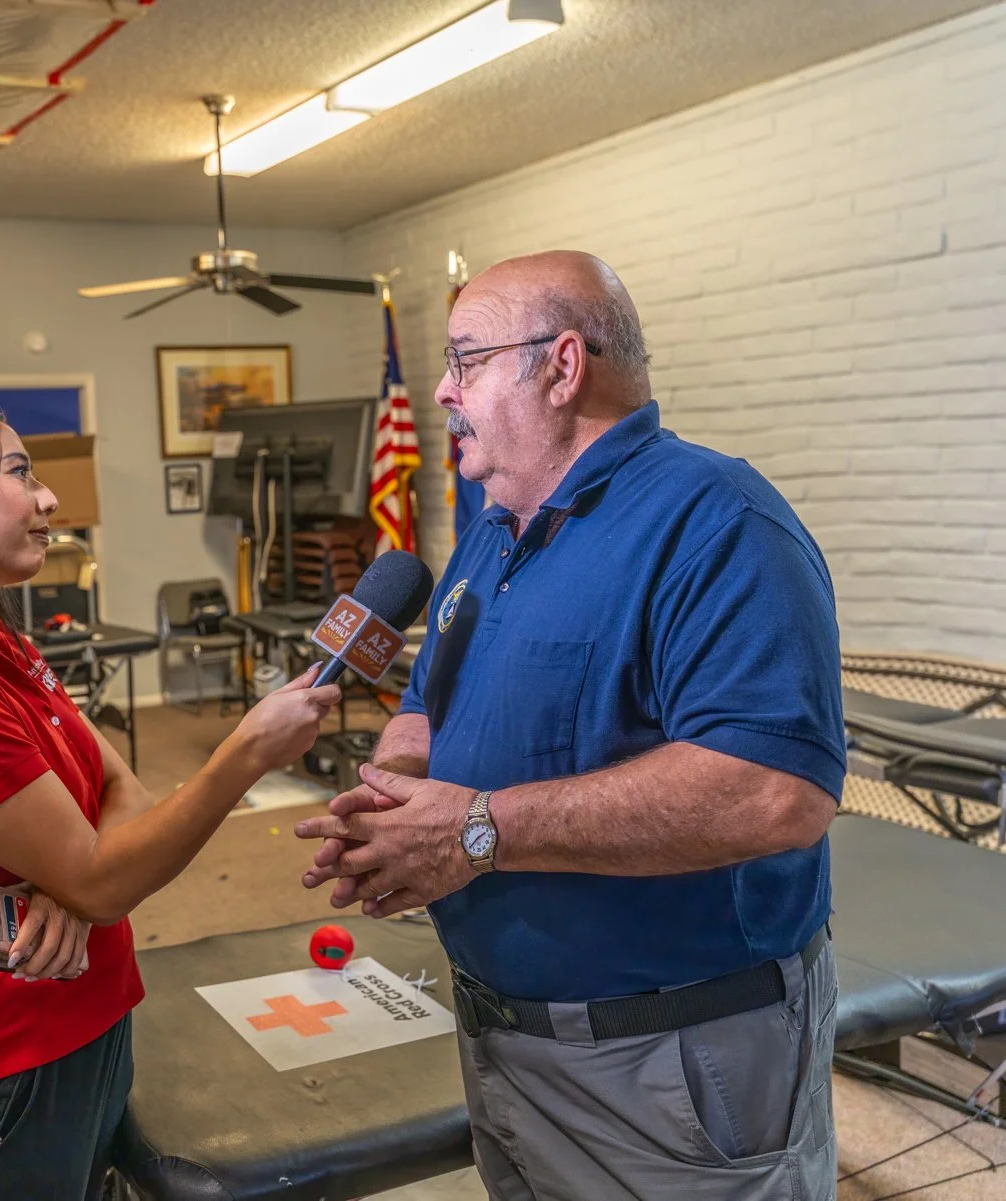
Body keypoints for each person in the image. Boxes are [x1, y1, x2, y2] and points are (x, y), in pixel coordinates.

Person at [296, 250, 844, 1201]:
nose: (442, 390)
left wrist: (476, 829)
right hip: (503, 1034)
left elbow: (773, 792)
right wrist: (396, 791)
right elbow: (429, 697)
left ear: (560, 367)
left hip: (670, 1057)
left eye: (465, 360)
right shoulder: (493, 527)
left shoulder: (718, 524)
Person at [0, 400, 341, 1201]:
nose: (49, 499)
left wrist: (71, 886)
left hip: (84, 1017)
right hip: (5, 1056)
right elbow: (104, 876)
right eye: (20, 472)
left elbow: (121, 788)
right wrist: (245, 752)